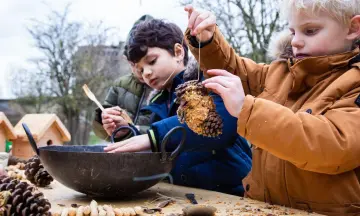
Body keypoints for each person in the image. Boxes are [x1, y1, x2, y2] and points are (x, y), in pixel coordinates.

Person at [184, 1, 360, 215]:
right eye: (293, 31)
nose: (296, 42)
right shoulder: (280, 73)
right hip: (263, 207)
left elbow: (333, 145)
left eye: (310, 31)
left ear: (353, 28)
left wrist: (247, 109)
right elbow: (236, 71)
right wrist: (208, 41)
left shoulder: (354, 83)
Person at [104, 19, 252, 196]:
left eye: (151, 61)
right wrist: (126, 133)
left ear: (178, 52)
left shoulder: (205, 80)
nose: (146, 73)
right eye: (140, 69)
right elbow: (157, 148)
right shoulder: (156, 104)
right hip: (186, 196)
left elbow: (222, 120)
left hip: (233, 195)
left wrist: (155, 136)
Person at [93, 15, 154, 142]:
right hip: (122, 153)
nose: (139, 70)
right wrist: (104, 118)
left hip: (153, 155)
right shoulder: (120, 85)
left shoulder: (163, 86)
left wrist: (132, 128)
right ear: (127, 60)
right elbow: (102, 132)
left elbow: (168, 131)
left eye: (147, 62)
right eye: (133, 64)